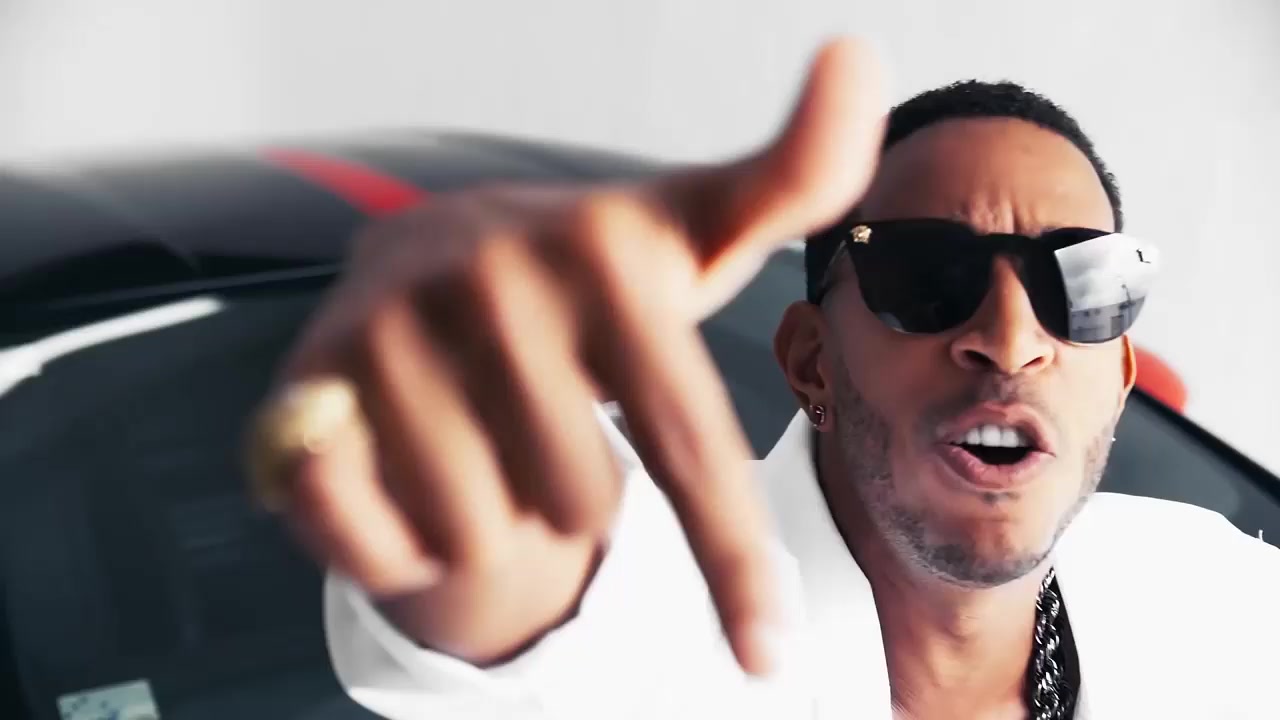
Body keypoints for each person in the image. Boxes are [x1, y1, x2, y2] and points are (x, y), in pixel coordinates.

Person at [246, 39, 1278, 719]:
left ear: (1121, 375)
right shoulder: (669, 607)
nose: (1010, 340)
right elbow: (535, 591)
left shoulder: (1215, 600)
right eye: (926, 277)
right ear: (809, 360)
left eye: (1080, 284)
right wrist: (457, 391)